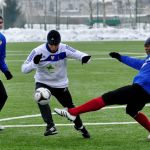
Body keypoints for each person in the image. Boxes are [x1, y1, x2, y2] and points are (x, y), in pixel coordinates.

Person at [54, 37, 150, 139]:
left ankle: (72, 112)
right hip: (145, 93)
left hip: (140, 89)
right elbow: (138, 63)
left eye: (148, 46)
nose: (146, 48)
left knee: (107, 98)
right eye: (145, 46)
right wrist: (120, 57)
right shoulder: (148, 59)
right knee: (132, 110)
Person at [21, 30, 91, 138]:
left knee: (71, 108)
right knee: (40, 96)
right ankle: (50, 126)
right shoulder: (37, 51)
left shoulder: (64, 48)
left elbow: (79, 54)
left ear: (59, 43)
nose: (53, 47)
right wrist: (34, 63)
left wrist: (85, 58)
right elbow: (24, 69)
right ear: (47, 42)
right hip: (43, 82)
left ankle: (80, 127)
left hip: (60, 84)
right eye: (51, 44)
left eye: (56, 45)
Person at [0, 16, 13, 130]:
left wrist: (6, 71)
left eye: (1, 22)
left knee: (2, 96)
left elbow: (1, 58)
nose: (0, 24)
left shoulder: (2, 39)